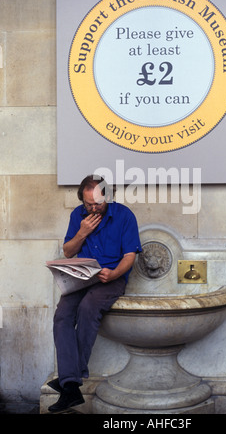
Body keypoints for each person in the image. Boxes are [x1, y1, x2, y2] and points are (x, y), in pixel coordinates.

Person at [47, 175, 142, 413]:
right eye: (88, 204)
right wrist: (81, 232)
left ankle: (69, 382)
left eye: (98, 203)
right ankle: (71, 386)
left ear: (107, 197)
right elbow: (68, 252)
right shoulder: (77, 216)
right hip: (82, 277)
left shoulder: (124, 216)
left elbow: (130, 256)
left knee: (89, 308)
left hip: (111, 278)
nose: (93, 208)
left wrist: (113, 274)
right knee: (62, 316)